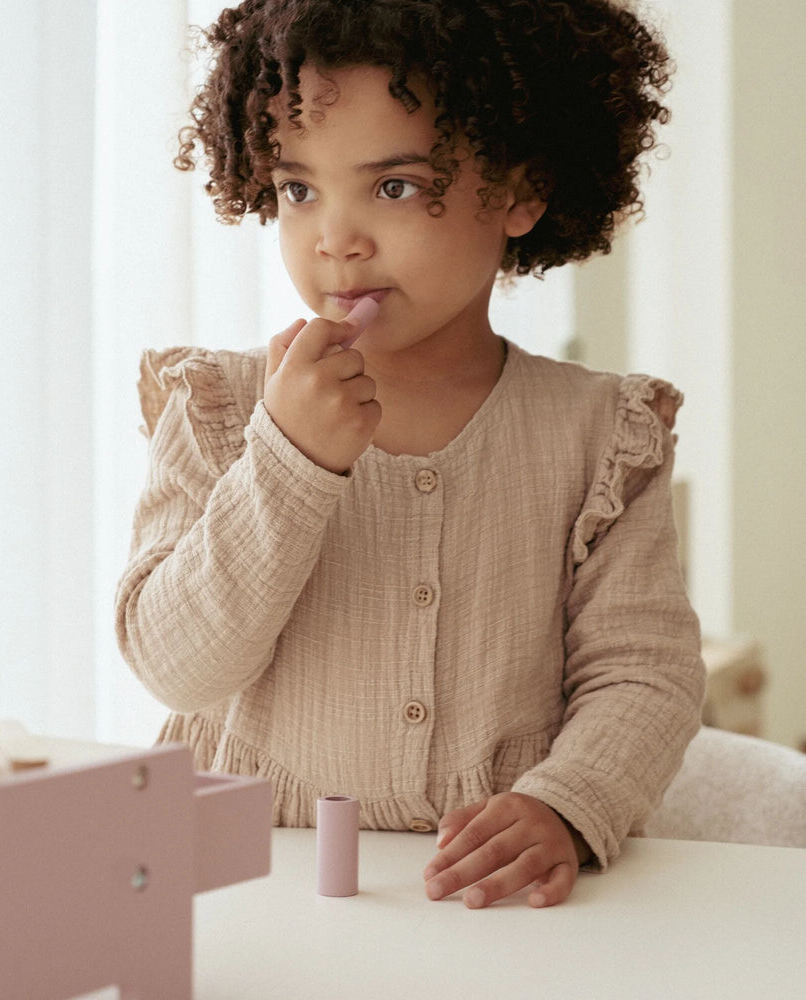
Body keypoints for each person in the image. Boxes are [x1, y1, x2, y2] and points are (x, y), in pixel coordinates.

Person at [115, 0, 706, 910]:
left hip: (485, 905)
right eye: (299, 190)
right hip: (251, 891)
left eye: (393, 187)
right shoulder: (220, 408)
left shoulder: (600, 435)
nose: (334, 240)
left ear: (522, 189)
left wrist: (566, 802)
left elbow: (644, 672)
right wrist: (287, 461)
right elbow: (175, 665)